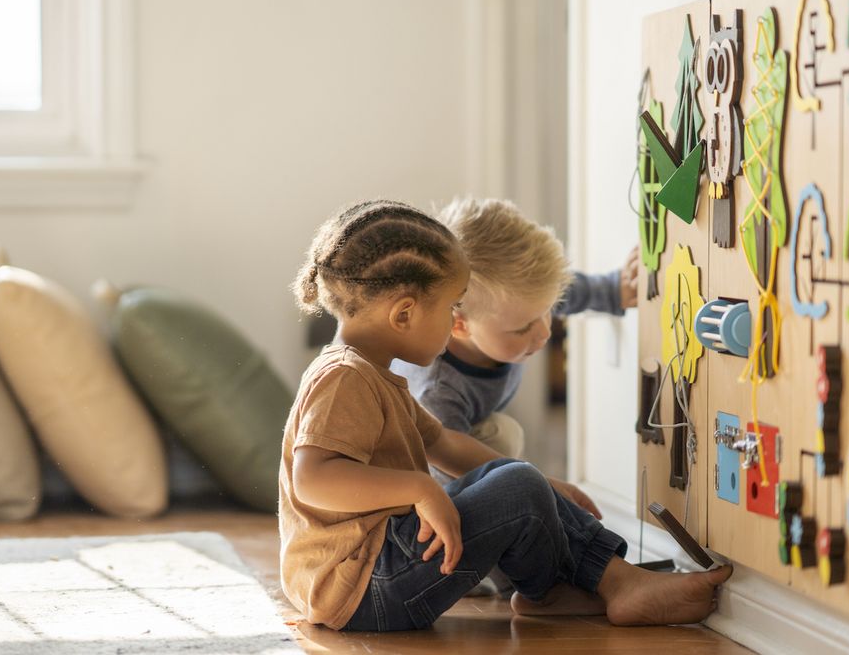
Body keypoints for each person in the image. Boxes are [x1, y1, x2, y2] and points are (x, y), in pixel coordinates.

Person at [280, 199, 731, 632]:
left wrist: (542, 487)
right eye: (451, 306)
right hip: (363, 587)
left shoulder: (371, 373)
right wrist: (420, 487)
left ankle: (555, 593)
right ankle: (612, 584)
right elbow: (314, 478)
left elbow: (444, 443)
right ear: (404, 314)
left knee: (512, 475)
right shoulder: (344, 377)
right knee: (516, 485)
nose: (456, 319)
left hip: (378, 570)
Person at [392, 197, 638, 494]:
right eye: (523, 328)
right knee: (504, 441)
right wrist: (533, 490)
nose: (545, 333)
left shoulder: (514, 306)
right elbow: (447, 461)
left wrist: (612, 291)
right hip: (414, 466)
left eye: (548, 310)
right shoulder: (437, 389)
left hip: (465, 423)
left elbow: (557, 288)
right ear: (458, 325)